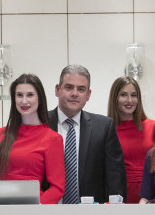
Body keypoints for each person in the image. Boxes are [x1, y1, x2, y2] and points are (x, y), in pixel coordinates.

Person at [47, 65, 126, 204]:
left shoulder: (103, 127)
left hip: (92, 214)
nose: (75, 93)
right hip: (45, 211)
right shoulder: (41, 123)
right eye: (69, 87)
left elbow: (115, 180)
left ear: (88, 94)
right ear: (57, 90)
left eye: (81, 89)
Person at [0, 73, 65, 204]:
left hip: (34, 208)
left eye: (30, 95)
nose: (24, 101)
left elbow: (57, 188)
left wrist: (36, 209)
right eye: (19, 95)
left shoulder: (53, 138)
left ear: (40, 98)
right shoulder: (2, 134)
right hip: (1, 207)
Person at [108, 76, 155, 204]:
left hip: (151, 194)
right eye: (123, 95)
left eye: (134, 95)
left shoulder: (153, 126)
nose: (129, 100)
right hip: (119, 195)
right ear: (115, 98)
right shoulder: (107, 130)